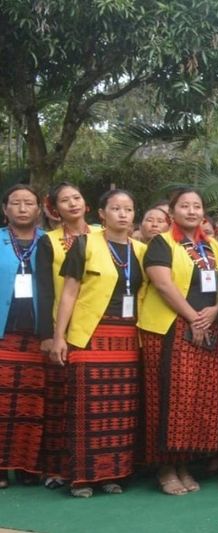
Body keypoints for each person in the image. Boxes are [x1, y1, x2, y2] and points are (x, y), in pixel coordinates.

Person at [48, 189, 146, 498]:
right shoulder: (85, 243)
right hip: (90, 335)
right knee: (86, 409)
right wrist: (59, 336)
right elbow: (69, 292)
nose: (122, 214)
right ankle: (82, 477)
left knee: (120, 411)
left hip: (128, 338)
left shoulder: (141, 250)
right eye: (115, 208)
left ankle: (112, 474)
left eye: (128, 209)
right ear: (101, 214)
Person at [138, 187, 218, 496]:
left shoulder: (212, 244)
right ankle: (164, 468)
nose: (191, 211)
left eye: (197, 206)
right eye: (184, 206)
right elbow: (163, 283)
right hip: (169, 329)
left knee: (193, 401)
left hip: (207, 328)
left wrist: (214, 311)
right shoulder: (162, 242)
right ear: (171, 213)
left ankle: (184, 464)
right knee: (167, 398)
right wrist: (193, 317)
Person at [36, 182, 94, 489]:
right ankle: (56, 468)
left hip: (97, 326)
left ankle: (92, 466)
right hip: (63, 326)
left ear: (86, 204)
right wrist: (49, 334)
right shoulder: (49, 241)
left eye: (77, 197)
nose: (72, 204)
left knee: (90, 401)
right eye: (64, 201)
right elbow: (44, 288)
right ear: (54, 209)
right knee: (60, 399)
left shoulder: (101, 234)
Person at [0, 185, 44, 489]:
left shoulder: (50, 242)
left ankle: (29, 466)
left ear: (39, 208)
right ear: (5, 209)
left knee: (34, 403)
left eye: (29, 203)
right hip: (5, 333)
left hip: (38, 335)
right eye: (16, 203)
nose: (23, 208)